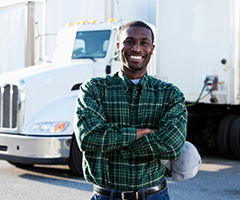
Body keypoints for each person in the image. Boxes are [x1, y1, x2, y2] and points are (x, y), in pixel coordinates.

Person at [74, 20, 187, 200]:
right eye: (130, 41)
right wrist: (141, 133)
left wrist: (115, 145)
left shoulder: (170, 94)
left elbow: (172, 146)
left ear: (152, 48)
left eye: (144, 43)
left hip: (154, 196)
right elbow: (87, 137)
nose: (136, 48)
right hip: (106, 196)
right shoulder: (94, 88)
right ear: (118, 46)